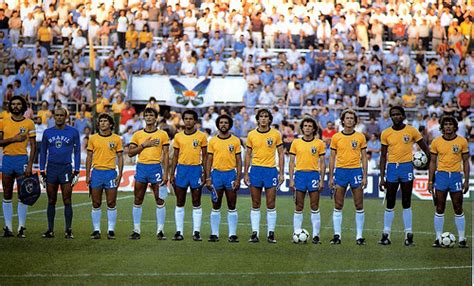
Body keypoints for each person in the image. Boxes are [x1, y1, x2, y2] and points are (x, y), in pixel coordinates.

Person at [379, 106, 430, 246]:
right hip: (392, 168)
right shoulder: (386, 133)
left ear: (403, 116)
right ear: (390, 117)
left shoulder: (412, 130)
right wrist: (381, 177)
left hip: (407, 167)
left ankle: (409, 234)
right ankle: (386, 234)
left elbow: (426, 149)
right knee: (390, 201)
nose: (396, 117)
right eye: (393, 115)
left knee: (406, 201)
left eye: (398, 114)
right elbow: (383, 156)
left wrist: (426, 165)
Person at [128, 108, 169, 240]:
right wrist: (144, 145)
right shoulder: (137, 134)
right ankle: (136, 230)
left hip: (156, 168)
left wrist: (166, 173)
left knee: (160, 199)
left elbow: (167, 155)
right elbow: (130, 152)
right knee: (138, 199)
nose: (149, 117)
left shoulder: (162, 134)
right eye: (146, 115)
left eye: (151, 115)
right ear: (143, 118)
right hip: (141, 168)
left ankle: (160, 231)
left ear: (156, 118)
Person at [244, 108, 284, 243]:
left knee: (271, 203)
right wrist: (246, 173)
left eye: (266, 116)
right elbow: (248, 154)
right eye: (261, 116)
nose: (263, 119)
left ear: (269, 119)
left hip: (270, 171)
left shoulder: (276, 134)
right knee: (255, 203)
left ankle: (270, 233)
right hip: (255, 170)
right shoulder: (251, 135)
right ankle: (255, 233)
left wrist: (281, 173)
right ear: (257, 119)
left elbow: (281, 153)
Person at [39, 107, 80, 239]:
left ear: (66, 117)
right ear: (53, 117)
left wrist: (77, 170)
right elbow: (43, 152)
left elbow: (78, 152)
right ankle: (50, 230)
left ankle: (68, 229)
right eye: (57, 115)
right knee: (51, 200)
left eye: (62, 115)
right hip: (51, 169)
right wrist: (41, 170)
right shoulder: (47, 132)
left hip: (66, 168)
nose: (59, 117)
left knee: (67, 199)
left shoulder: (73, 132)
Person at [428, 116, 469, 248]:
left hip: (456, 177)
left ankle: (462, 238)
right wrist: (430, 180)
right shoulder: (436, 142)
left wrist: (466, 180)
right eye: (445, 124)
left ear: (455, 126)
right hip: (441, 176)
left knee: (458, 207)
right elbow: (433, 162)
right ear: (442, 127)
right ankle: (438, 238)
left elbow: (466, 162)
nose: (448, 126)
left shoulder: (462, 141)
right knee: (439, 207)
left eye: (450, 124)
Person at [328, 109, 367, 245]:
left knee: (359, 204)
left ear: (355, 121)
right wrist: (331, 176)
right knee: (338, 204)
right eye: (347, 118)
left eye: (352, 118)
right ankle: (337, 235)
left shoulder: (360, 137)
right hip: (341, 172)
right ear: (343, 120)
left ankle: (359, 236)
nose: (349, 120)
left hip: (356, 171)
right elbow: (332, 157)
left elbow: (364, 157)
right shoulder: (336, 137)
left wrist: (365, 176)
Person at [0, 96, 36, 238]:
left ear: (23, 106)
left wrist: (30, 165)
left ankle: (21, 228)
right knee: (7, 193)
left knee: (23, 195)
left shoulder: (29, 123)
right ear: (10, 106)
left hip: (22, 160)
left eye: (18, 104)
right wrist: (13, 139)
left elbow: (33, 146)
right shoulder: (3, 122)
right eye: (13, 104)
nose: (15, 106)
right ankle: (8, 228)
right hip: (7, 159)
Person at [170, 109, 207, 241]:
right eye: (186, 119)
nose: (188, 121)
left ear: (195, 121)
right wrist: (171, 173)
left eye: (191, 119)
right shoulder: (178, 136)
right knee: (180, 202)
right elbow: (175, 156)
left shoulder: (201, 136)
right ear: (183, 120)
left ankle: (196, 232)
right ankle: (179, 231)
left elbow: (206, 157)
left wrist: (205, 174)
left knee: (196, 201)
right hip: (182, 170)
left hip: (196, 170)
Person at [85, 114, 124, 240]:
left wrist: (120, 173)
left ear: (111, 124)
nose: (102, 123)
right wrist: (87, 174)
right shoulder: (93, 138)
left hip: (110, 173)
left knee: (111, 202)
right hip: (96, 173)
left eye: (105, 121)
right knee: (96, 202)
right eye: (100, 121)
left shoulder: (117, 139)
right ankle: (96, 230)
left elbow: (120, 157)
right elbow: (89, 157)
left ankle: (111, 230)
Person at [205, 114, 242, 242]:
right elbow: (209, 160)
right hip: (216, 175)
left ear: (229, 125)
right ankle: (214, 234)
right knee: (216, 204)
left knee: (232, 204)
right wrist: (208, 177)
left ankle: (232, 234)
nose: (223, 125)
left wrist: (238, 178)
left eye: (226, 122)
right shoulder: (213, 141)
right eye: (221, 122)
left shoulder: (235, 140)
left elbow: (239, 160)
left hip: (230, 174)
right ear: (218, 125)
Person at [289, 118, 326, 244]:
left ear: (314, 128)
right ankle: (296, 232)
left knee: (314, 206)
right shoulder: (296, 143)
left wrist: (321, 179)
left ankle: (316, 235)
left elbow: (322, 162)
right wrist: (291, 179)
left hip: (313, 175)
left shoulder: (319, 143)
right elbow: (291, 162)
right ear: (302, 128)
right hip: (299, 175)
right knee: (299, 206)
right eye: (305, 126)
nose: (307, 128)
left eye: (310, 126)